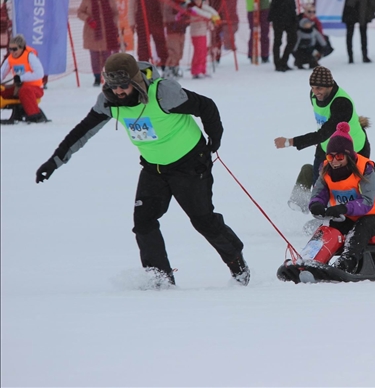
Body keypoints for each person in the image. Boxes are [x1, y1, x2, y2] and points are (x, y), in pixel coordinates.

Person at [34, 53, 250, 286]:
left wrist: (214, 139)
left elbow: (206, 106)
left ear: (136, 81)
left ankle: (237, 264)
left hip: (190, 163)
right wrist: (54, 161)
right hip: (154, 168)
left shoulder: (162, 93)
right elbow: (82, 131)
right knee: (144, 222)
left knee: (202, 220)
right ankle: (161, 278)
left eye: (123, 86)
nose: (118, 91)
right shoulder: (108, 102)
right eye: (113, 85)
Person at [308, 122, 375, 274]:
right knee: (328, 229)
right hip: (349, 217)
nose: (334, 161)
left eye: (340, 157)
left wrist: (343, 207)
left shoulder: (365, 168)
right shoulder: (326, 169)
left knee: (362, 227)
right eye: (331, 156)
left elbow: (367, 202)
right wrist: (316, 204)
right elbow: (319, 193)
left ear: (348, 155)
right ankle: (309, 259)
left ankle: (347, 262)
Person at [274, 66, 370, 185]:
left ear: (330, 86)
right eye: (312, 88)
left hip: (353, 149)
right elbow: (324, 124)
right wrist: (318, 139)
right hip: (327, 146)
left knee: (347, 187)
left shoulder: (341, 103)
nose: (315, 92)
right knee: (319, 186)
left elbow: (326, 132)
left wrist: (290, 142)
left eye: (319, 88)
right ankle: (306, 180)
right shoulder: (314, 95)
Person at [77, 0, 120, 87]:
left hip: (107, 30)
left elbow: (115, 13)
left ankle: (107, 77)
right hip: (92, 31)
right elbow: (80, 12)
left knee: (107, 55)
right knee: (94, 55)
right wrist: (88, 19)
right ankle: (96, 78)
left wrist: (114, 23)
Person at [129, 0, 170, 66]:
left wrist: (166, 18)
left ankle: (165, 63)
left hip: (157, 17)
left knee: (160, 41)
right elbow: (132, 4)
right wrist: (131, 22)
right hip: (142, 18)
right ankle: (144, 65)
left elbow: (167, 2)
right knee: (143, 44)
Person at [0, 34, 47, 124]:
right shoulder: (10, 59)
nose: (12, 52)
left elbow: (39, 73)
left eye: (15, 49)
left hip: (35, 88)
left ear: (22, 48)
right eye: (10, 49)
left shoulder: (30, 56)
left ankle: (34, 116)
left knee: (25, 91)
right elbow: (2, 72)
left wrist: (22, 77)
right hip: (18, 88)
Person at [269, 0, 299, 72]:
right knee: (278, 40)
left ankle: (284, 61)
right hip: (278, 15)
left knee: (292, 39)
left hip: (290, 15)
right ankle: (277, 64)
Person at [188, 0, 220, 79]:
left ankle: (202, 69)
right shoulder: (192, 8)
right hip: (196, 33)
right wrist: (211, 17)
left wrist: (215, 18)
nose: (198, 1)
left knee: (203, 51)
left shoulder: (202, 6)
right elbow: (203, 14)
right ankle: (196, 71)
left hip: (203, 33)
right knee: (198, 52)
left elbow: (210, 11)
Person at [164, 0, 191, 79]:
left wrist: (187, 20)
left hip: (181, 31)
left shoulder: (185, 5)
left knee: (180, 52)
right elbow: (166, 16)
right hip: (172, 31)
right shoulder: (171, 3)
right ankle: (169, 70)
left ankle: (175, 68)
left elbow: (188, 17)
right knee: (174, 51)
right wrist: (175, 18)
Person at [292, 4, 330, 69]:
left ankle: (313, 61)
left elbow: (319, 34)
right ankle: (300, 61)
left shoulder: (316, 22)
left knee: (324, 44)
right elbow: (295, 37)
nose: (312, 13)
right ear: (305, 12)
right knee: (304, 52)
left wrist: (323, 44)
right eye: (309, 11)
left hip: (312, 44)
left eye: (314, 12)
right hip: (301, 45)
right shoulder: (299, 21)